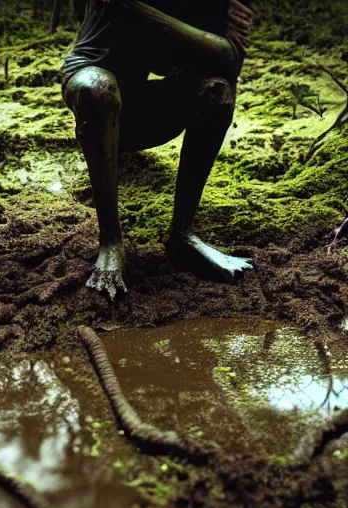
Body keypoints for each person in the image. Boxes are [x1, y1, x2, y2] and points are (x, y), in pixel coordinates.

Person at [61, 0, 254, 299]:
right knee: (96, 87)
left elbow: (229, 58)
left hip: (147, 105)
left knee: (218, 91)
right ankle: (111, 241)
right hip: (99, 97)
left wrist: (138, 11)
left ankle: (182, 235)